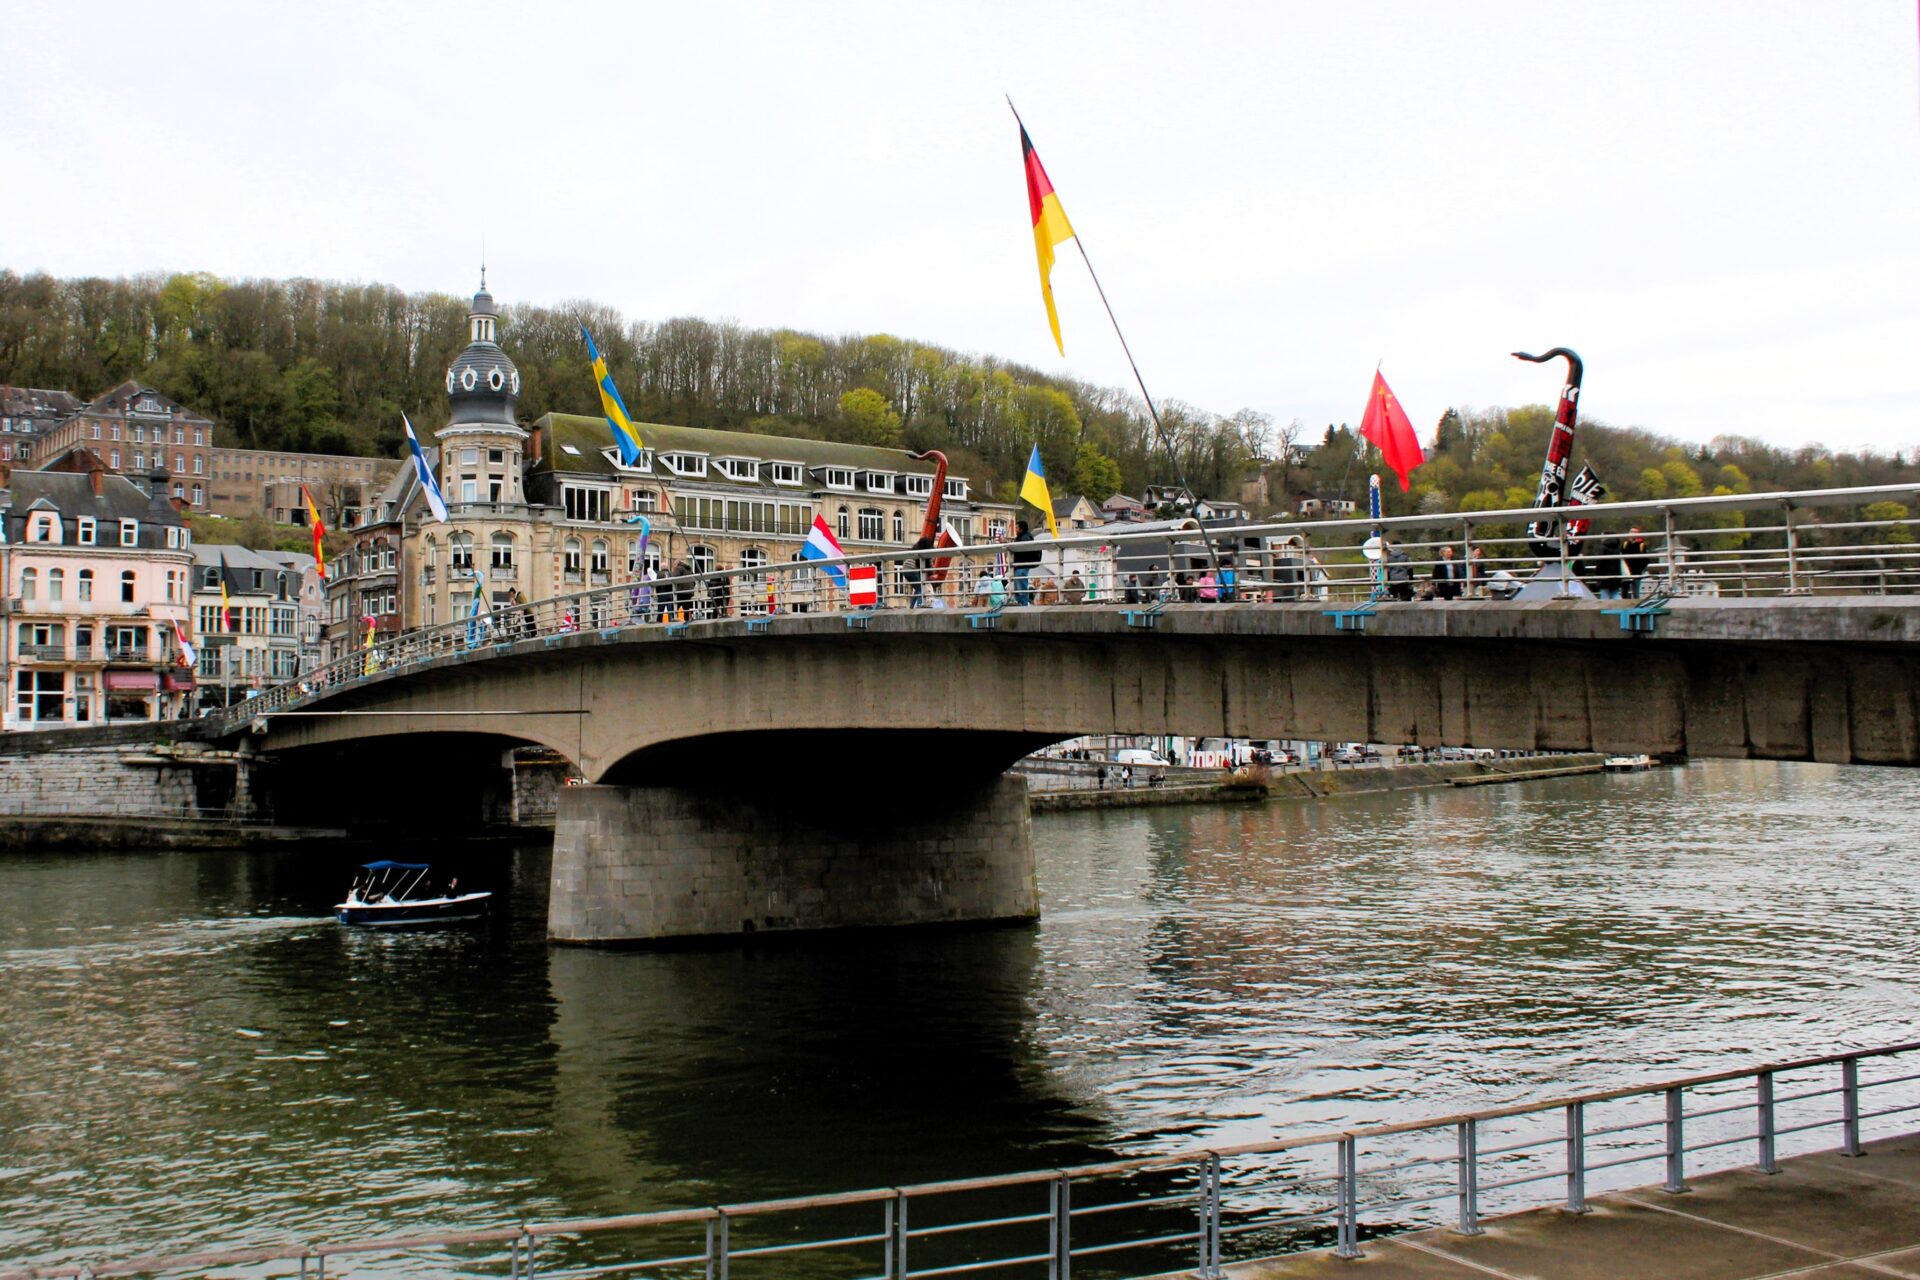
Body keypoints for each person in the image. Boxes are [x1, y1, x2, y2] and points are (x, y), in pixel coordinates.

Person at [1010, 521, 1041, 605]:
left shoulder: (1025, 538)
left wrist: (1007, 543)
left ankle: (1023, 603)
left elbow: (1017, 548)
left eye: (1016, 528)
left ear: (1021, 529)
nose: (1015, 530)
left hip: (1021, 566)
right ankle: (1021, 602)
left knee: (1020, 586)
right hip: (1021, 566)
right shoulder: (1024, 537)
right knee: (1019, 585)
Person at [1620, 526, 1651, 598]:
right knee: (1624, 593)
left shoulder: (1642, 545)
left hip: (1637, 572)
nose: (1631, 533)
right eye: (1631, 531)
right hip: (1626, 572)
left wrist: (1641, 570)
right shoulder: (1625, 544)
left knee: (1636, 593)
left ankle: (1636, 608)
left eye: (1634, 532)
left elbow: (1646, 560)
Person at [904, 534, 933, 607]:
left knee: (917, 589)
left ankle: (911, 606)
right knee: (921, 588)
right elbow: (927, 566)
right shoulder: (923, 552)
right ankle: (920, 604)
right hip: (912, 570)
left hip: (905, 570)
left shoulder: (915, 548)